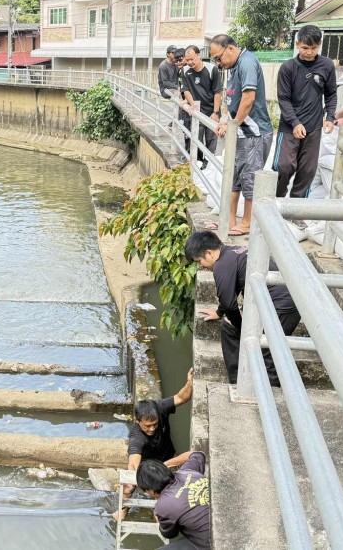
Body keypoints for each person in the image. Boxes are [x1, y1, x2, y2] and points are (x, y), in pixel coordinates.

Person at [186, 230, 299, 386]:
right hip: (283, 300)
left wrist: (242, 328)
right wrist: (219, 313)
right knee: (228, 326)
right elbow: (230, 294)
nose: (201, 266)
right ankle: (238, 382)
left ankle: (271, 392)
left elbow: (229, 304)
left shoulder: (221, 265)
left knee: (267, 351)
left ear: (209, 253)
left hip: (282, 306)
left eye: (199, 261)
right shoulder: (234, 251)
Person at [210, 34, 274, 237]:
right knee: (234, 176)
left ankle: (247, 223)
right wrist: (226, 121)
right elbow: (234, 101)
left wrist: (233, 125)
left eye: (218, 58)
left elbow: (248, 99)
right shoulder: (233, 66)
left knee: (249, 178)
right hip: (240, 132)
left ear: (230, 48)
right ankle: (228, 220)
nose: (218, 63)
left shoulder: (246, 63)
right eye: (214, 60)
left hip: (253, 133)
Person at [113, 369, 194, 521]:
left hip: (168, 456)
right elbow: (133, 462)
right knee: (129, 487)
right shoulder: (137, 437)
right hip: (147, 464)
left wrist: (189, 383)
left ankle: (165, 510)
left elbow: (181, 398)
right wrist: (132, 477)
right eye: (147, 426)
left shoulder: (160, 407)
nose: (152, 429)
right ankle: (123, 509)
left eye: (155, 424)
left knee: (172, 487)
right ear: (137, 421)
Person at [274, 25, 337, 199]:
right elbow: (283, 99)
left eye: (314, 48)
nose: (309, 52)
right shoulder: (288, 68)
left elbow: (331, 94)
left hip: (314, 126)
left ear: (320, 45)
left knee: (307, 170)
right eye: (305, 48)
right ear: (297, 44)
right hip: (289, 126)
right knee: (284, 166)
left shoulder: (327, 65)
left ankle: (296, 208)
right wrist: (295, 123)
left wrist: (330, 116)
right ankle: (277, 201)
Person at [136, 453, 211, 550]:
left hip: (209, 542)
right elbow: (199, 454)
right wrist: (166, 464)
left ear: (151, 490)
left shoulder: (163, 505)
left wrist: (159, 520)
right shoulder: (187, 471)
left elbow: (170, 534)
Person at [180, 45, 223, 168]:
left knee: (211, 141)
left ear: (199, 56)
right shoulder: (185, 71)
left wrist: (216, 112)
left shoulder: (211, 69)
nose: (190, 62)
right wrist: (192, 104)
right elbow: (186, 90)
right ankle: (197, 166)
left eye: (192, 59)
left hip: (211, 112)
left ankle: (208, 165)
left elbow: (217, 92)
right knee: (196, 140)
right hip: (197, 112)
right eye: (187, 59)